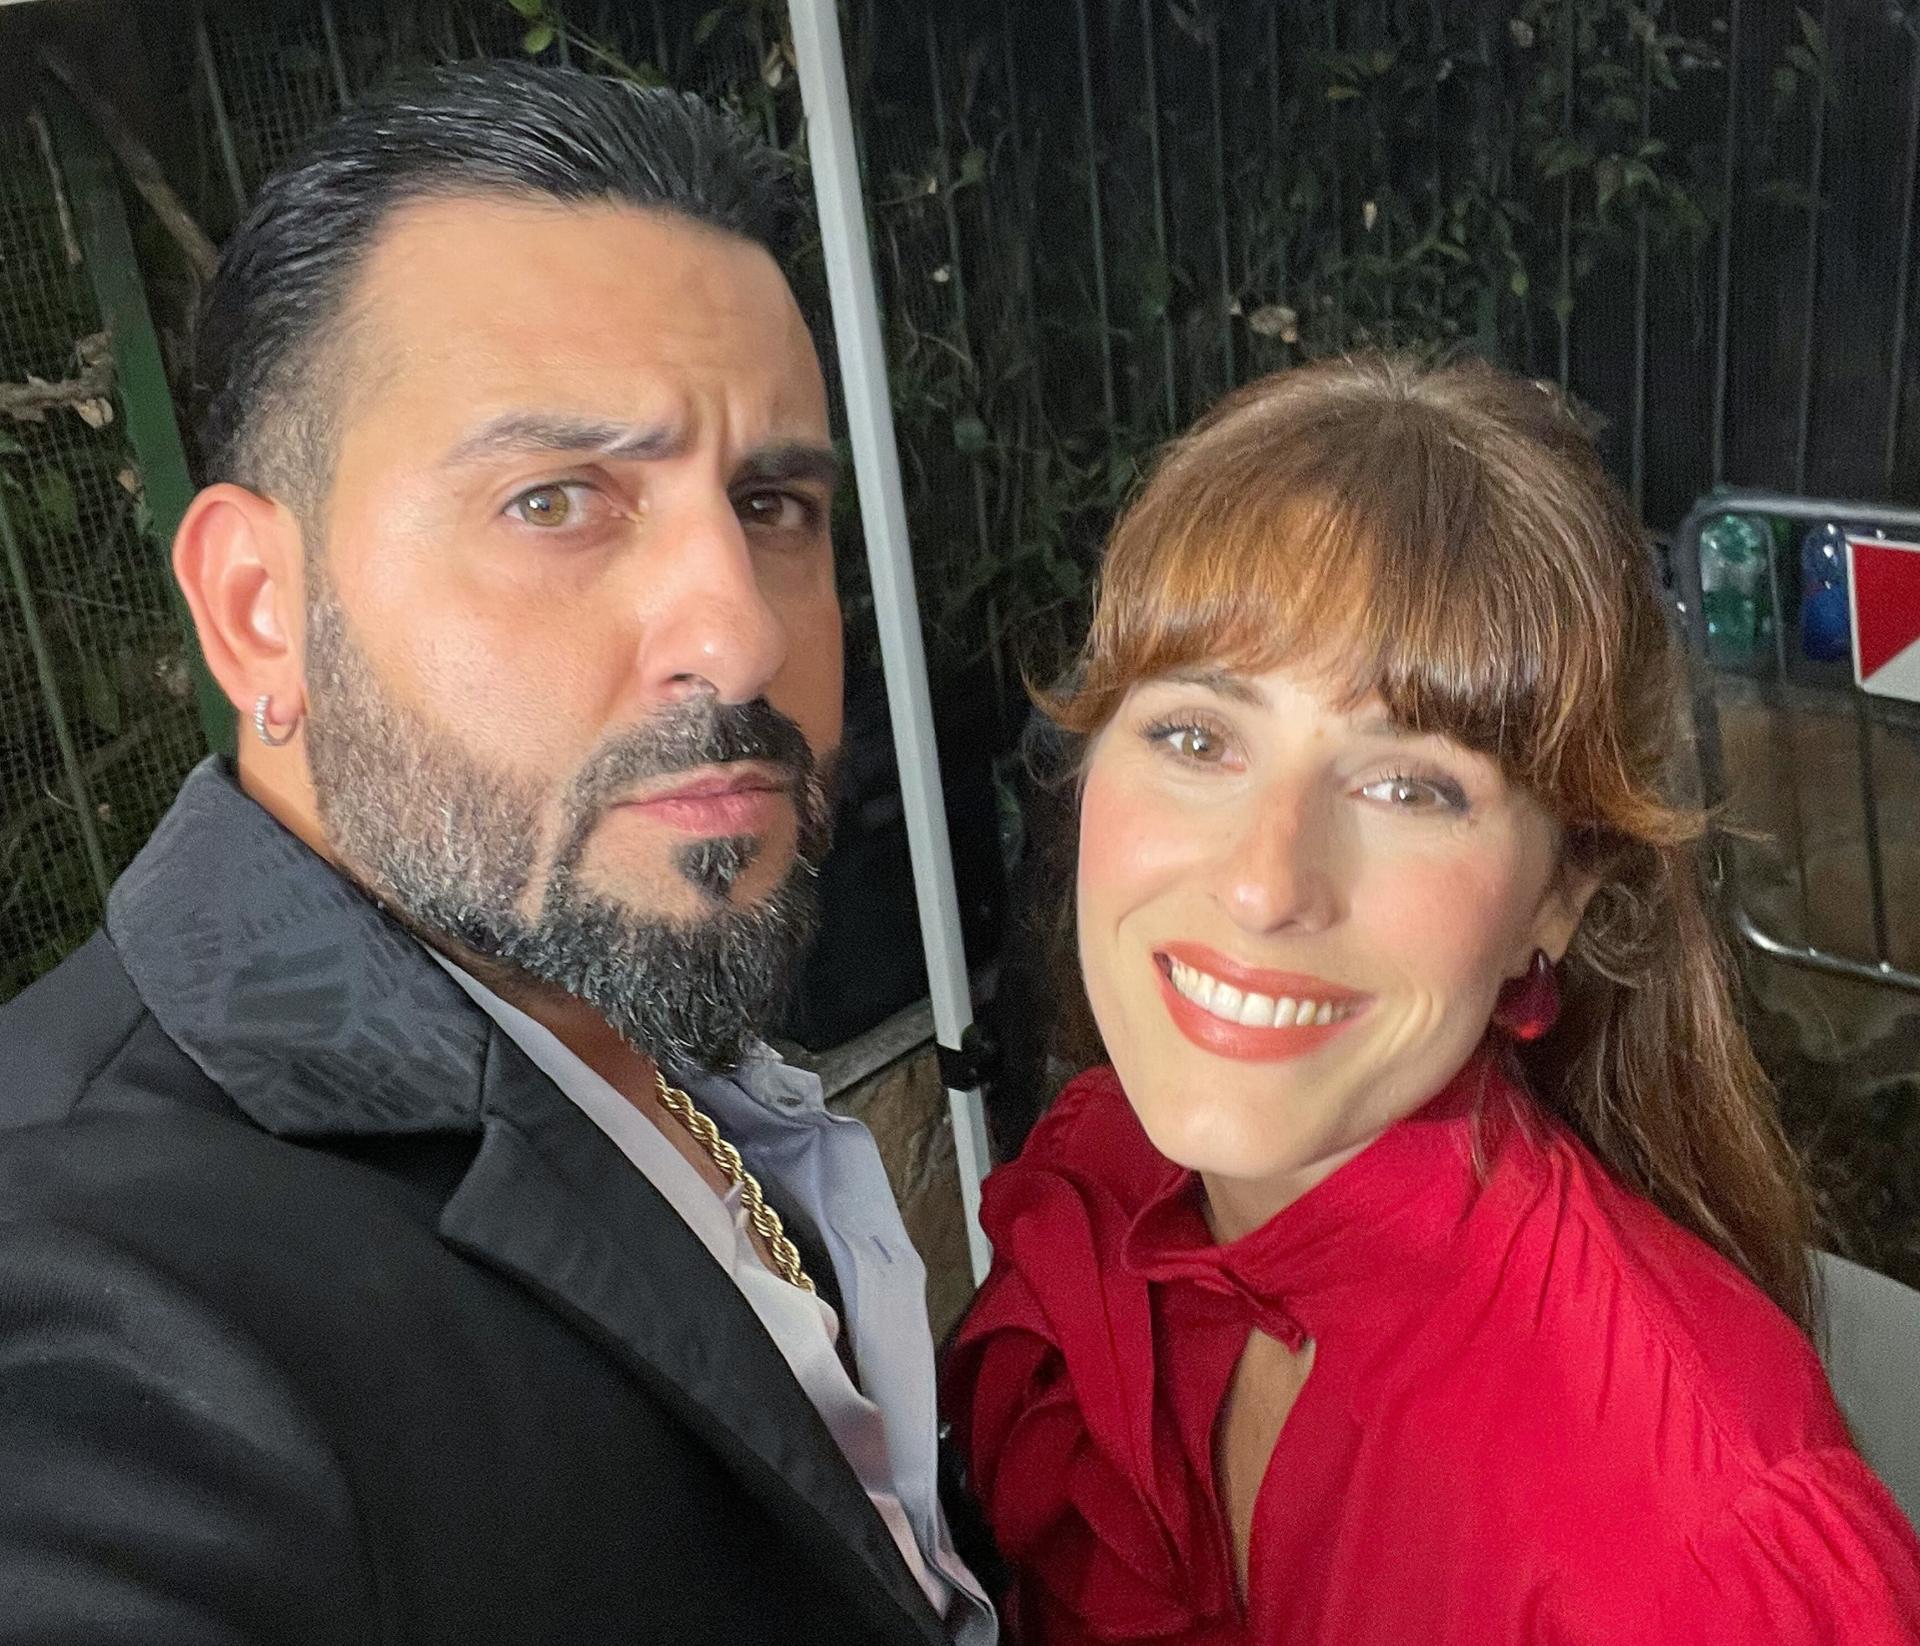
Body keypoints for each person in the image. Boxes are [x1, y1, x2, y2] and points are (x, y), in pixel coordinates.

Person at [0, 62, 992, 1646]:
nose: (741, 634)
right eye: (554, 499)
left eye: (771, 502)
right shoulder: (91, 1295)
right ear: (259, 610)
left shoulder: (611, 1005)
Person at [944, 354, 1920, 1644]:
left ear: (1558, 897)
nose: (1263, 884)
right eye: (1196, 736)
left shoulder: (1688, 1562)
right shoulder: (1102, 1173)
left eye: (1409, 787)